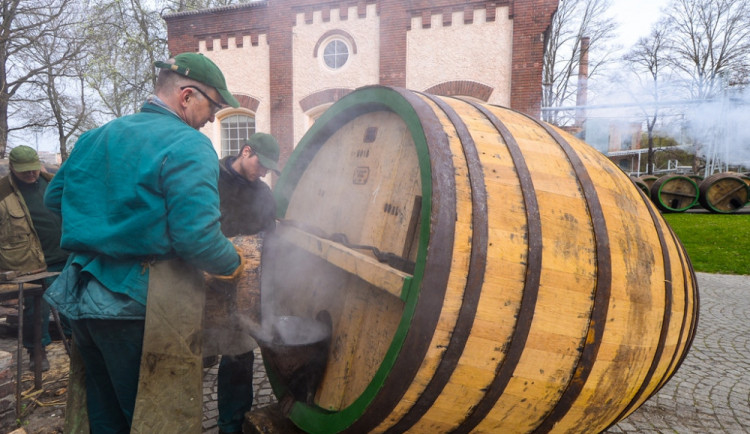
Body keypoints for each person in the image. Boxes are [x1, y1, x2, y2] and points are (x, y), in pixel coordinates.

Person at [43, 52, 244, 433]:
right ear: (187, 96)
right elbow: (197, 237)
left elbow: (57, 199)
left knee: (105, 419)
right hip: (138, 307)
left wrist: (105, 226)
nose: (211, 118)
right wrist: (233, 264)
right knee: (154, 421)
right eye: (212, 106)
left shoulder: (94, 137)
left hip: (81, 298)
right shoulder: (190, 145)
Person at [215, 132, 280, 434]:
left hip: (246, 286)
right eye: (261, 165)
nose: (264, 172)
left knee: (239, 353)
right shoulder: (211, 179)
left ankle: (233, 423)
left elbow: (272, 237)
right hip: (208, 278)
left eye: (268, 168)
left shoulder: (264, 193)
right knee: (195, 349)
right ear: (245, 151)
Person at [0, 146, 69, 372]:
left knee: (72, 306)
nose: (31, 174)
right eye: (24, 171)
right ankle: (36, 350)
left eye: (33, 169)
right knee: (36, 311)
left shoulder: (53, 183)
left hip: (64, 255)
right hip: (31, 263)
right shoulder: (2, 193)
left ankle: (76, 346)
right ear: (12, 168)